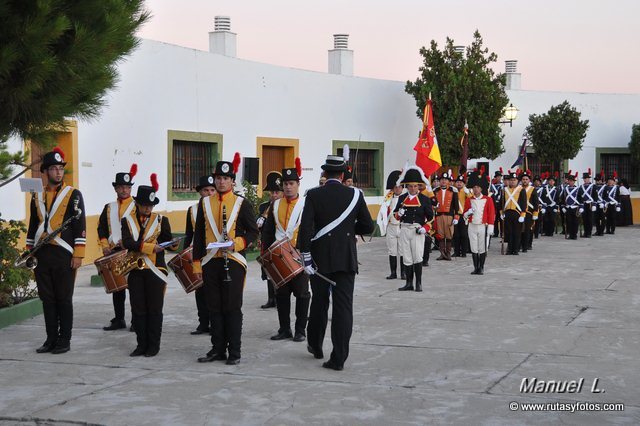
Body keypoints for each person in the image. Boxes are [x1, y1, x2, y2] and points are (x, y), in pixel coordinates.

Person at [299, 155, 374, 371]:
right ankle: (338, 357)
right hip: (346, 258)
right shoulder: (355, 195)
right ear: (342, 175)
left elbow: (306, 228)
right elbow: (368, 226)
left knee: (319, 303)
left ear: (324, 174)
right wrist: (349, 228)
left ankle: (315, 345)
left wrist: (305, 256)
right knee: (343, 308)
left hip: (319, 258)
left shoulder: (313, 194)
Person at [193, 153, 259, 365]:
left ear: (232, 180)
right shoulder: (204, 203)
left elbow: (253, 232)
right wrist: (196, 263)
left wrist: (236, 243)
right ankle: (217, 348)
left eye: (225, 178)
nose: (221, 182)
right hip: (211, 261)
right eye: (218, 178)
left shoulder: (242, 203)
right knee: (214, 307)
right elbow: (199, 236)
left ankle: (235, 351)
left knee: (231, 307)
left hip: (234, 260)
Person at [26, 147, 86, 354]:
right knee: (47, 298)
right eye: (54, 168)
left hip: (64, 253)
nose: (58, 172)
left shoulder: (73, 195)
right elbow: (33, 225)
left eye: (60, 168)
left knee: (63, 298)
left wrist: (78, 254)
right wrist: (29, 251)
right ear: (45, 172)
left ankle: (64, 340)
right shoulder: (37, 196)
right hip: (42, 254)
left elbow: (80, 224)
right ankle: (50, 338)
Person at [121, 174, 178, 357]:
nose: (148, 208)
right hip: (136, 270)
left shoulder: (162, 221)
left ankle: (153, 345)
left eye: (151, 205)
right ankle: (140, 344)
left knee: (154, 308)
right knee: (138, 308)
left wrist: (173, 243)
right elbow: (128, 242)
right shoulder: (127, 221)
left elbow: (167, 242)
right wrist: (149, 247)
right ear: (137, 204)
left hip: (156, 270)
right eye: (145, 205)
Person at [262, 158, 310, 342]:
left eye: (291, 183)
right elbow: (268, 231)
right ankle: (284, 329)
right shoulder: (275, 205)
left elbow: (311, 230)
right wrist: (265, 255)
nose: (288, 187)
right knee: (281, 295)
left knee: (302, 294)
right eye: (285, 184)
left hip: (298, 257)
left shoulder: (306, 204)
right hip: (279, 256)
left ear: (298, 184)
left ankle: (300, 330)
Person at [98, 164, 137, 331]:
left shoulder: (137, 205)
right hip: (114, 251)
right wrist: (105, 246)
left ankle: (136, 320)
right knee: (117, 287)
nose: (124, 190)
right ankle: (119, 319)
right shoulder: (109, 207)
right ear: (116, 188)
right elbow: (102, 229)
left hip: (133, 251)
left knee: (135, 288)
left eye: (127, 187)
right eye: (121, 187)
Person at [184, 175, 216, 335]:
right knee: (200, 290)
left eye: (212, 190)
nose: (209, 193)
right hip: (197, 254)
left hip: (213, 254)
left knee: (213, 291)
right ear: (200, 192)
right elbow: (189, 235)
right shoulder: (192, 210)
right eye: (206, 190)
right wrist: (185, 257)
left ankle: (215, 324)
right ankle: (203, 323)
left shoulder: (219, 207)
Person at [392, 166, 434, 291]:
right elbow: (395, 215)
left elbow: (431, 217)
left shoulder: (425, 199)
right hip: (404, 229)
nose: (413, 188)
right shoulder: (401, 198)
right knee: (407, 257)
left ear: (419, 186)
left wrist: (425, 228)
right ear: (407, 186)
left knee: (417, 256)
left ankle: (419, 283)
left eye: (415, 186)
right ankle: (409, 283)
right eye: (410, 186)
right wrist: (398, 214)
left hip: (417, 230)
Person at [257, 172, 283, 309]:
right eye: (272, 192)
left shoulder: (284, 206)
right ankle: (271, 299)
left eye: (277, 192)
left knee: (279, 271)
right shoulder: (263, 207)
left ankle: (280, 299)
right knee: (267, 272)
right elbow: (258, 224)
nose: (274, 195)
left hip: (279, 243)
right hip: (267, 243)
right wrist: (264, 214)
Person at [463, 169, 495, 274]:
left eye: (478, 187)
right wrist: (468, 213)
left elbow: (491, 213)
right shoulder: (468, 200)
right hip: (472, 225)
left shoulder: (488, 199)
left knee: (482, 248)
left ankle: (481, 267)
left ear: (481, 188)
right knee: (473, 247)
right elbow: (464, 214)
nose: (476, 189)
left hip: (483, 226)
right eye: (474, 187)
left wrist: (491, 226)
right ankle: (475, 267)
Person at [377, 170, 405, 280]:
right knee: (392, 250)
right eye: (395, 187)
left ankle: (403, 273)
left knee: (403, 251)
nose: (397, 189)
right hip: (391, 226)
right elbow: (383, 211)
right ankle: (393, 272)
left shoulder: (406, 198)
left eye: (399, 187)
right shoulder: (387, 199)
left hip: (402, 227)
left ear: (402, 188)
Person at [431, 172, 459, 261]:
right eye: (442, 179)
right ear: (439, 181)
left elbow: (456, 206)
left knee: (449, 234)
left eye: (446, 180)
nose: (444, 181)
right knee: (440, 235)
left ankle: (448, 253)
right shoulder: (435, 191)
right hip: (439, 215)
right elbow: (432, 203)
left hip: (449, 215)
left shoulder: (453, 191)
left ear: (448, 181)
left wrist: (456, 217)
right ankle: (442, 253)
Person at [500, 171, 526, 255]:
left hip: (517, 213)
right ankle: (509, 249)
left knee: (517, 232)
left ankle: (515, 249)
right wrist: (501, 212)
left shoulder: (521, 190)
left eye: (514, 180)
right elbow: (501, 202)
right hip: (507, 212)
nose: (512, 181)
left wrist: (522, 214)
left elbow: (524, 203)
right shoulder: (505, 190)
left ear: (517, 181)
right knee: (508, 232)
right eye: (511, 180)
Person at [519, 171, 539, 252]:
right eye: (523, 179)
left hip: (529, 212)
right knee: (520, 229)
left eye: (526, 179)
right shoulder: (518, 189)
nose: (525, 181)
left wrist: (535, 212)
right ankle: (520, 244)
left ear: (529, 180)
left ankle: (528, 244)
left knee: (528, 229)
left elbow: (536, 202)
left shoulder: (532, 189)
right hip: (520, 212)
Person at [452, 176, 470, 257]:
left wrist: (467, 192)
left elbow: (471, 199)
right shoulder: (453, 191)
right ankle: (456, 251)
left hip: (464, 215)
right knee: (456, 235)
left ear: (464, 183)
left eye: (461, 182)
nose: (459, 183)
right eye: (458, 182)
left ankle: (463, 252)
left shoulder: (466, 192)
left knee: (464, 234)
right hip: (455, 215)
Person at [560, 173, 581, 239]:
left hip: (575, 207)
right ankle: (570, 234)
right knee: (569, 221)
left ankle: (574, 235)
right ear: (568, 181)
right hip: (568, 208)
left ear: (574, 181)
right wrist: (563, 207)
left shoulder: (578, 189)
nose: (571, 182)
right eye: (569, 181)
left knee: (575, 222)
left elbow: (581, 199)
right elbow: (563, 199)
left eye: (572, 181)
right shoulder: (565, 189)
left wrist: (581, 207)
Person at [578, 169, 596, 238]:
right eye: (584, 178)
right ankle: (585, 232)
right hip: (584, 205)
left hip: (590, 204)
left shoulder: (593, 186)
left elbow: (595, 196)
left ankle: (589, 233)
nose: (585, 180)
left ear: (589, 179)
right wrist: (580, 205)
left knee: (589, 219)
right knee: (584, 219)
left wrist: (594, 204)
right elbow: (579, 197)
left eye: (587, 178)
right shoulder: (581, 187)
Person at [490, 169, 504, 238]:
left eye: (500, 176)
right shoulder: (492, 186)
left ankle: (502, 232)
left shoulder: (503, 185)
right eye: (497, 177)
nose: (498, 178)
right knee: (495, 219)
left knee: (501, 219)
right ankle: (495, 232)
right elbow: (490, 194)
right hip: (494, 203)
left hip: (501, 203)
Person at [594, 172, 607, 236]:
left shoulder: (605, 187)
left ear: (601, 180)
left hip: (602, 205)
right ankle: (597, 230)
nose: (597, 181)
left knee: (602, 218)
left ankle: (601, 231)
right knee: (596, 218)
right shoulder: (594, 187)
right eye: (596, 180)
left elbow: (606, 197)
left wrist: (604, 203)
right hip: (596, 204)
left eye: (598, 180)